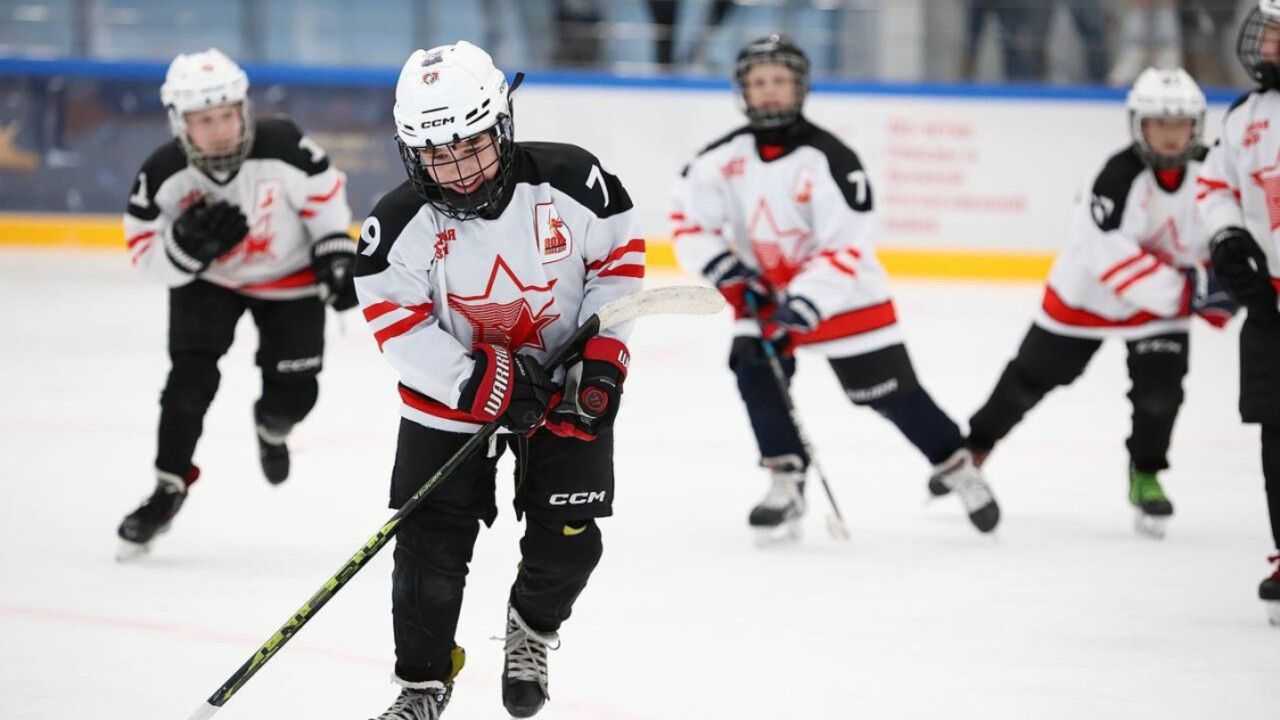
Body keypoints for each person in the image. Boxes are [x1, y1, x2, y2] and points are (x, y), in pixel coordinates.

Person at [354, 41, 644, 717]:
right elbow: (397, 327)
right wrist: (473, 382)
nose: (456, 171)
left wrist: (601, 360)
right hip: (453, 398)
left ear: (502, 125)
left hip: (562, 382)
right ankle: (423, 686)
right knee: (427, 547)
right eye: (437, 155)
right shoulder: (396, 225)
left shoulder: (573, 181)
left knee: (572, 538)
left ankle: (532, 626)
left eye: (471, 146)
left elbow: (618, 263)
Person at [671, 34, 1000, 542]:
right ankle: (787, 479)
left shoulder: (831, 158)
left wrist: (803, 306)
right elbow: (690, 225)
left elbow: (846, 245)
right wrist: (736, 281)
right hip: (764, 295)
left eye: (780, 80)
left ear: (800, 86)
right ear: (743, 91)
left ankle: (956, 464)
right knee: (755, 367)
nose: (770, 91)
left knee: (889, 394)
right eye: (759, 82)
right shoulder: (717, 160)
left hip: (842, 297)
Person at [960, 67, 1236, 538]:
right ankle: (975, 449)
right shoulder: (1114, 177)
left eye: (1180, 125)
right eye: (1158, 125)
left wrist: (1226, 274)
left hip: (1157, 309)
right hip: (1088, 299)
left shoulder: (1213, 171)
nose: (1170, 136)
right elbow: (1108, 257)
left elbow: (1231, 226)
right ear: (1138, 126)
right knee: (1029, 380)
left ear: (1196, 126)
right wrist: (1193, 291)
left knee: (1160, 394)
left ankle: (1146, 473)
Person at [114, 48, 357, 560]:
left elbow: (326, 200)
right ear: (180, 123)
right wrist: (182, 251)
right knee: (189, 381)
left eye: (227, 114)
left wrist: (334, 252)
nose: (221, 129)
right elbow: (143, 253)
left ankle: (272, 426)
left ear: (244, 110)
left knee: (296, 396)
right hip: (210, 282)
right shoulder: (162, 173)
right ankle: (167, 488)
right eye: (205, 120)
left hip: (288, 278)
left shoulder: (285, 145)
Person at [1196, 0, 1280, 624]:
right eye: (1267, 33)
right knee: (1277, 437)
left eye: (1279, 36)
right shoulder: (1245, 116)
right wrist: (1226, 236)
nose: (1266, 46)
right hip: (1271, 306)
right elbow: (1216, 184)